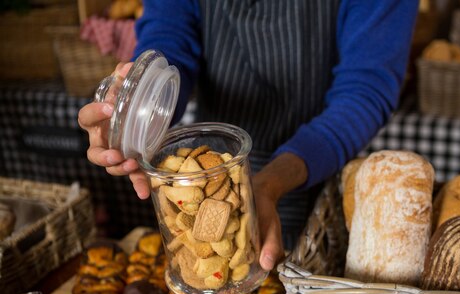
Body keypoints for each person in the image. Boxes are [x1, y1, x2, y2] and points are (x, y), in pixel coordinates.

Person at [78, 0, 419, 272]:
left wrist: (270, 183)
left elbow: (364, 91)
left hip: (316, 181)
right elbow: (172, 42)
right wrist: (137, 108)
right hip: (209, 175)